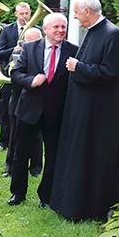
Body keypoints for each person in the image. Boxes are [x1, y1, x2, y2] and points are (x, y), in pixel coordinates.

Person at [50, 0, 119, 221]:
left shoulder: (112, 34)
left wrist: (78, 67)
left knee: (93, 152)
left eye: (76, 11)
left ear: (87, 12)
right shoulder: (92, 31)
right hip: (85, 105)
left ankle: (91, 207)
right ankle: (71, 203)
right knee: (79, 150)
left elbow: (110, 74)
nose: (73, 16)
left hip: (100, 111)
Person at [6, 13, 78, 207]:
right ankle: (18, 193)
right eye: (56, 27)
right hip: (29, 110)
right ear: (45, 29)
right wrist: (31, 81)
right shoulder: (30, 48)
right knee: (21, 154)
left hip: (56, 113)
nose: (60, 30)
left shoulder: (73, 51)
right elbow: (15, 74)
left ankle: (46, 196)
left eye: (63, 27)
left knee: (53, 157)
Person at [2, 28, 43, 178]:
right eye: (29, 41)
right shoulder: (18, 54)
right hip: (18, 99)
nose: (32, 44)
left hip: (36, 102)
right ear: (24, 42)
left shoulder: (45, 55)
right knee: (14, 135)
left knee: (37, 136)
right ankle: (10, 166)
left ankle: (35, 167)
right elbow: (8, 71)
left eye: (36, 41)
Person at [0, 2, 32, 150]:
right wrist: (15, 49)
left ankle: (21, 140)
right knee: (5, 109)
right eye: (21, 14)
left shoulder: (35, 30)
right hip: (8, 73)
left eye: (26, 13)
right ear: (16, 14)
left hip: (26, 74)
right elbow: (0, 52)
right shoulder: (7, 30)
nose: (24, 16)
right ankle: (4, 140)